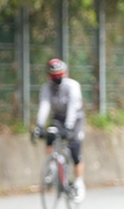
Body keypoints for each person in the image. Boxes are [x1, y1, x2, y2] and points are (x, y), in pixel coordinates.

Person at [31, 58, 86, 201]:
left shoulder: (72, 86)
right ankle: (52, 166)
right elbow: (44, 106)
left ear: (64, 73)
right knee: (50, 135)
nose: (57, 77)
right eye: (54, 74)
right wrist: (39, 126)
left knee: (75, 150)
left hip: (75, 119)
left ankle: (79, 184)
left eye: (59, 74)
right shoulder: (46, 88)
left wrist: (68, 127)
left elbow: (73, 107)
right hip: (59, 118)